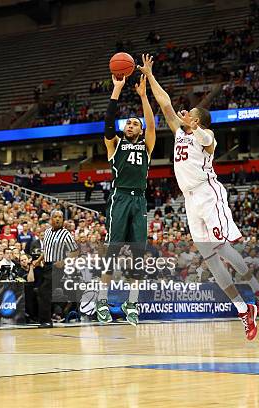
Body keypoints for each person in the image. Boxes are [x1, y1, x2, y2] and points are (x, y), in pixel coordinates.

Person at [138, 54, 259, 340]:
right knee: (210, 259)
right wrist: (150, 76)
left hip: (208, 196)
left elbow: (208, 140)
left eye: (191, 113)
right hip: (189, 200)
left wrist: (196, 126)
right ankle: (242, 309)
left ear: (197, 119)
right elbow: (165, 104)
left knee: (222, 249)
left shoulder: (205, 135)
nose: (184, 113)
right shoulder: (178, 133)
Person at [95, 72, 155, 326]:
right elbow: (108, 122)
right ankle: (101, 302)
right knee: (112, 252)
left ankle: (132, 303)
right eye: (128, 123)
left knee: (138, 255)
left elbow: (152, 125)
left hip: (139, 200)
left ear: (139, 130)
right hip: (119, 199)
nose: (130, 125)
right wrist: (117, 89)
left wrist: (143, 97)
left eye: (134, 124)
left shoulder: (147, 145)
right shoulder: (115, 145)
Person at [32, 210, 79, 328]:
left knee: (44, 291)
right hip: (46, 265)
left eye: (60, 217)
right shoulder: (47, 232)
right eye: (56, 217)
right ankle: (52, 315)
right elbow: (46, 250)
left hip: (57, 266)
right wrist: (38, 260)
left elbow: (75, 251)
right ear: (51, 219)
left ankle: (46, 321)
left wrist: (63, 261)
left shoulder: (65, 234)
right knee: (42, 292)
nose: (58, 219)